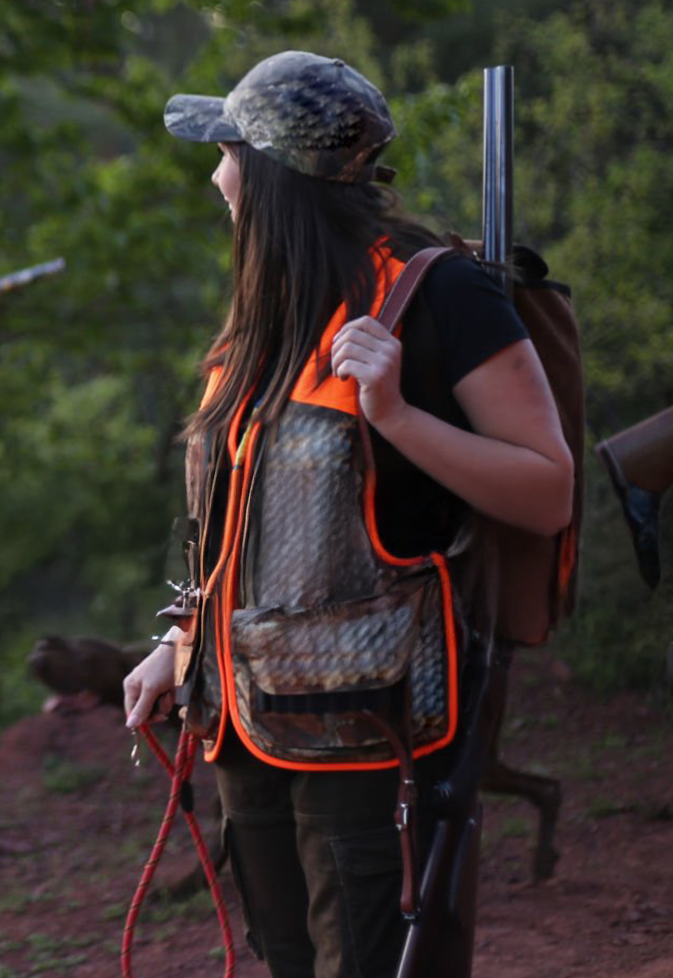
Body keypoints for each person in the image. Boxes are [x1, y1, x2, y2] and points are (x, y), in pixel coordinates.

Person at [120, 51, 572, 978]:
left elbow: (547, 489)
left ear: (273, 176)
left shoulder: (440, 293)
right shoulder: (269, 308)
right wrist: (180, 639)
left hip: (369, 733)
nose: (216, 176)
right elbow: (241, 520)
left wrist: (397, 416)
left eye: (228, 153)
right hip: (244, 721)